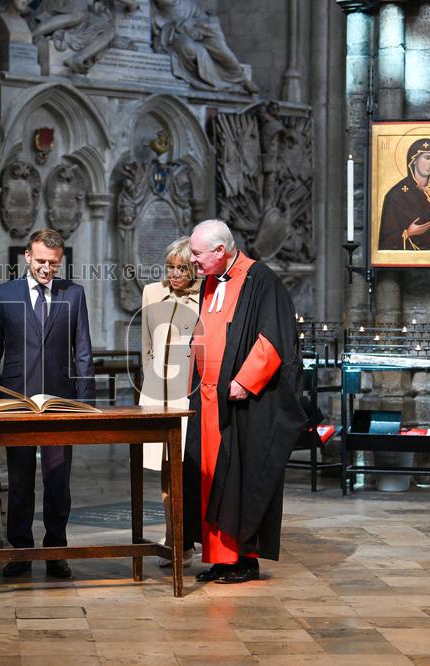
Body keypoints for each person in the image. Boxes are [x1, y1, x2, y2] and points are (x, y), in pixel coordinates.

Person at [186, 219, 304, 584]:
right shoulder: (210, 280)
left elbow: (274, 338)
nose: (192, 260)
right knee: (208, 481)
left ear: (220, 250)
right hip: (207, 399)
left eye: (197, 253)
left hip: (239, 402)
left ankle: (243, 560)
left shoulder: (261, 279)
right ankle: (219, 558)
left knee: (237, 481)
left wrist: (244, 381)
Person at [0, 228, 96, 579]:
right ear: (28, 257)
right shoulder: (5, 294)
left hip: (61, 403)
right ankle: (20, 552)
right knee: (19, 482)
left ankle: (55, 551)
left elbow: (83, 351)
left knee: (58, 481)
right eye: (42, 261)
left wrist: (87, 405)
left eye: (54, 263)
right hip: (16, 401)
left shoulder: (73, 294)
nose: (47, 269)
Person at [138, 237, 201, 567]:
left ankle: (190, 536)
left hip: (189, 396)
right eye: (170, 267)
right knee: (165, 471)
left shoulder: (205, 298)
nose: (175, 274)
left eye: (182, 268)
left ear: (194, 270)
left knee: (190, 470)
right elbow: (146, 346)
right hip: (157, 395)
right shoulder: (151, 292)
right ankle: (173, 538)